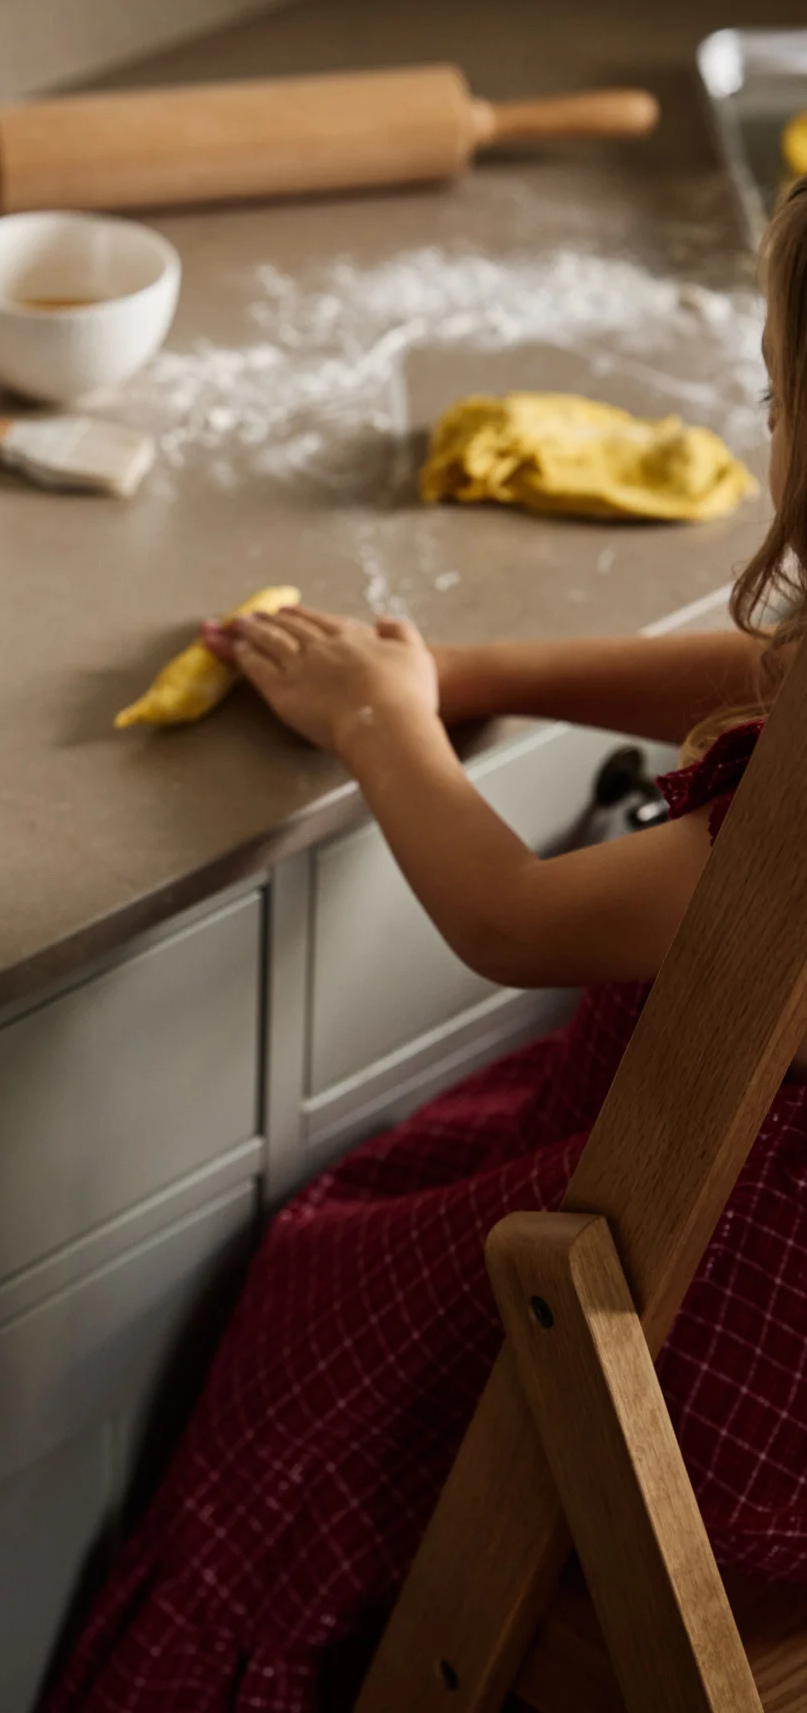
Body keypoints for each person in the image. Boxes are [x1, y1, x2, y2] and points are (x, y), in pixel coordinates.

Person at [47, 184, 807, 1713]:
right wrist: (477, 668)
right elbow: (774, 684)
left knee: (313, 1324)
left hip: (728, 1416)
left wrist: (382, 727)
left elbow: (511, 921)